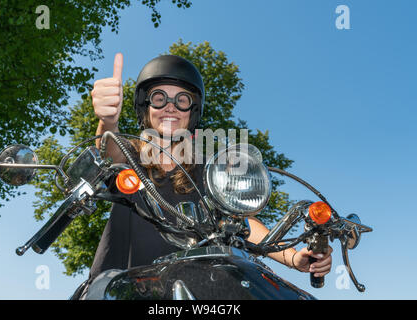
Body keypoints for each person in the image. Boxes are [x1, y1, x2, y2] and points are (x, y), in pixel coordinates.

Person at [78, 53, 332, 299]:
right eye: (159, 98)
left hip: (197, 287)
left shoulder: (208, 171)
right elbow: (108, 153)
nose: (170, 107)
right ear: (145, 106)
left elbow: (242, 223)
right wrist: (108, 121)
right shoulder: (130, 154)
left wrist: (292, 257)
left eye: (182, 100)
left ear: (193, 111)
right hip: (121, 286)